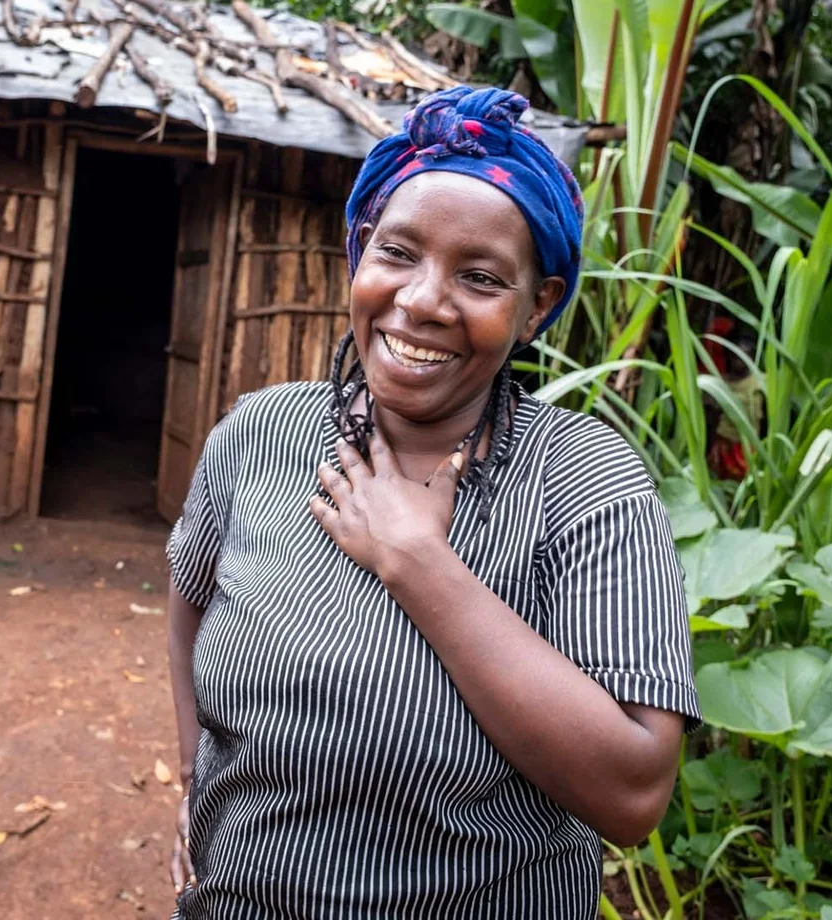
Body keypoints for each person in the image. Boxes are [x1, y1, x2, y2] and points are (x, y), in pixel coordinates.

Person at [164, 85, 699, 919]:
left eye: (480, 276)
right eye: (398, 253)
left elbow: (632, 794)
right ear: (358, 253)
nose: (421, 301)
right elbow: (190, 596)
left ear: (538, 307)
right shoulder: (261, 432)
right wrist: (196, 783)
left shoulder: (585, 481)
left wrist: (419, 565)